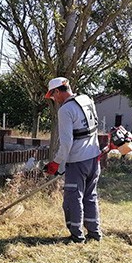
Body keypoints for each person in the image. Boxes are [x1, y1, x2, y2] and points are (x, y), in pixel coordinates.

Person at [44, 77, 102, 243]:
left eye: (53, 96)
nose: (54, 100)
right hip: (93, 157)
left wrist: (56, 162)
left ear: (57, 91)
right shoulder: (86, 99)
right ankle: (94, 233)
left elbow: (67, 142)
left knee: (72, 198)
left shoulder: (65, 110)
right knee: (90, 196)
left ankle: (77, 236)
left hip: (77, 161)